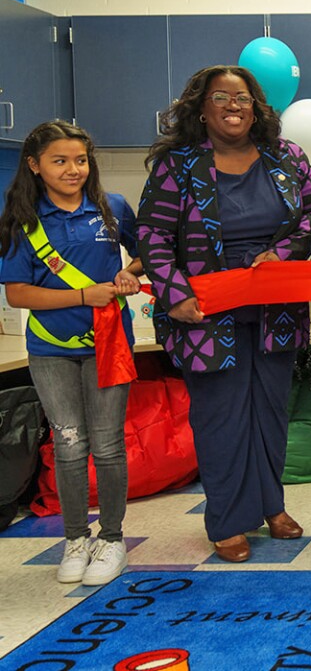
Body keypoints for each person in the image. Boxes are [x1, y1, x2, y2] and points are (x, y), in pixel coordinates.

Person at [138, 65, 311, 563]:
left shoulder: (286, 157)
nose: (233, 106)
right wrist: (173, 292)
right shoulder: (177, 165)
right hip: (204, 311)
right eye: (221, 97)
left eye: (242, 98)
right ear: (202, 108)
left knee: (269, 413)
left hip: (273, 308)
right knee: (221, 419)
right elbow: (151, 235)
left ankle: (271, 505)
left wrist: (283, 254)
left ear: (256, 106)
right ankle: (228, 520)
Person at [0, 121, 143, 585]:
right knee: (68, 443)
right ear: (35, 165)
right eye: (60, 161)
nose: (73, 169)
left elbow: (150, 255)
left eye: (80, 160)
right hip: (51, 351)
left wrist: (130, 275)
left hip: (110, 345)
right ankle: (76, 539)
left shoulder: (112, 208)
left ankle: (113, 538)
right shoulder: (24, 220)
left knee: (106, 445)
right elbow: (19, 294)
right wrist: (83, 297)